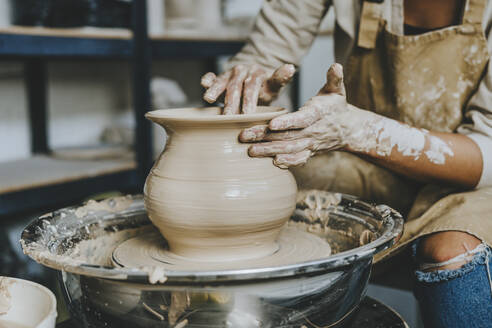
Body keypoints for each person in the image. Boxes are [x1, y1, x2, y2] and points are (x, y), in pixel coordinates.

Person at [201, 0, 492, 327]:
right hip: (372, 163)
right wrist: (252, 82)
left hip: (476, 179)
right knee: (256, 182)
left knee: (450, 251)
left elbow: (488, 152)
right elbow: (267, 51)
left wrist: (362, 131)